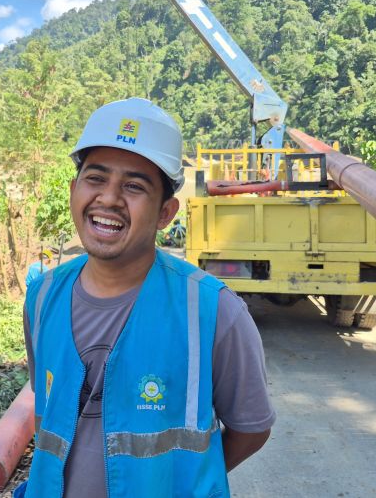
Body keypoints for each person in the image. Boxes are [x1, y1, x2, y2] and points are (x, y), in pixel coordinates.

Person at [20, 97, 275, 498]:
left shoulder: (212, 310)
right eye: (95, 178)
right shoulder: (42, 296)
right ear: (74, 190)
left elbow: (252, 429)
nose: (108, 198)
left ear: (165, 212)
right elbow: (47, 413)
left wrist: (185, 482)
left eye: (134, 186)